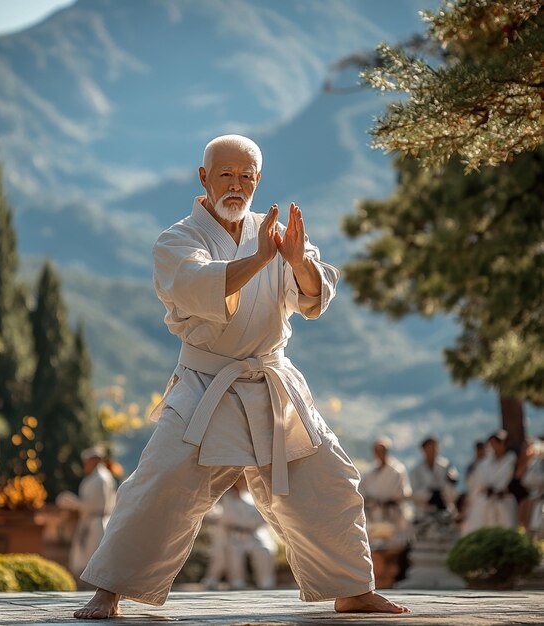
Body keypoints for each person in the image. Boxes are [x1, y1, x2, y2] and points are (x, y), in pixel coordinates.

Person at [74, 134, 409, 619]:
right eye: (226, 174)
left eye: (247, 176)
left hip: (273, 382)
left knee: (330, 479)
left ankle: (350, 587)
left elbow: (315, 298)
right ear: (204, 178)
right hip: (206, 384)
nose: (237, 185)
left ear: (258, 180)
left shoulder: (275, 233)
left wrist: (296, 261)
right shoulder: (177, 239)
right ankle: (110, 591)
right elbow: (195, 288)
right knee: (160, 481)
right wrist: (258, 260)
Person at [201, 474, 276, 590]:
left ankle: (266, 583)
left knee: (264, 551)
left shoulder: (253, 495)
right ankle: (235, 583)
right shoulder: (224, 496)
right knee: (231, 557)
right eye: (239, 480)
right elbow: (213, 514)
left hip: (254, 533)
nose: (241, 482)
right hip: (232, 534)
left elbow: (265, 516)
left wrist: (252, 524)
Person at [56, 446, 117, 581]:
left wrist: (73, 502)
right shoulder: (93, 477)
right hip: (88, 521)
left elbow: (95, 505)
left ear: (94, 460)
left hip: (97, 523)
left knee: (93, 558)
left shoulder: (101, 478)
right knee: (82, 558)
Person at [359, 437, 412, 550]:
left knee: (395, 548)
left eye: (381, 450)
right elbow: (362, 492)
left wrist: (388, 501)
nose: (379, 453)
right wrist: (372, 501)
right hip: (375, 516)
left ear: (387, 451)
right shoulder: (370, 472)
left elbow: (404, 493)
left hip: (394, 517)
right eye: (376, 450)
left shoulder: (397, 470)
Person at [462, 430, 517, 535]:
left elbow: (508, 480)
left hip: (504, 501)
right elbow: (477, 483)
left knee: (506, 532)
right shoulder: (484, 463)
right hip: (485, 502)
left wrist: (499, 489)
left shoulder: (511, 459)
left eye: (496, 444)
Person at [409, 436, 459, 520]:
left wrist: (443, 495)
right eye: (430, 448)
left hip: (445, 511)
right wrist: (430, 495)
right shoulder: (416, 471)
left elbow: (452, 486)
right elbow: (414, 493)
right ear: (424, 450)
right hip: (424, 513)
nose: (433, 450)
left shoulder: (446, 466)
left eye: (435, 447)